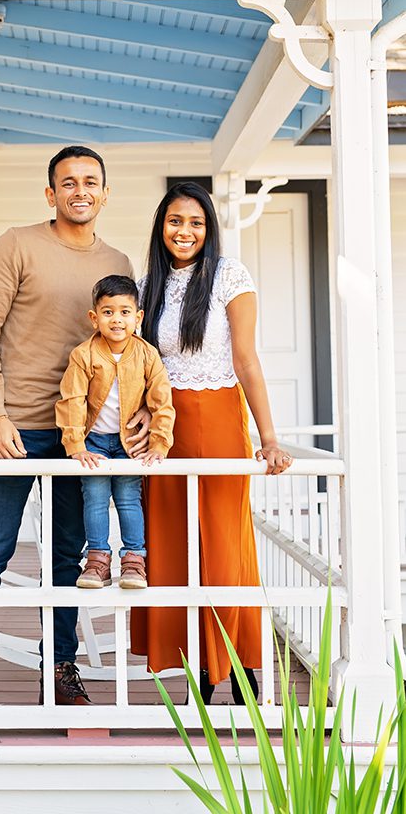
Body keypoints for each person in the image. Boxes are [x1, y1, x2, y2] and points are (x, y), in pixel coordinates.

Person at [0, 146, 148, 707]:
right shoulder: (17, 244)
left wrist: (142, 408)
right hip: (19, 428)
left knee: (68, 557)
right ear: (51, 193)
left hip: (88, 436)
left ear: (105, 193)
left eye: (91, 181)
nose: (80, 190)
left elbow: (133, 350)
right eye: (68, 182)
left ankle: (61, 668)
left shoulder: (120, 264)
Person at [130, 181, 291, 705]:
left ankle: (241, 664)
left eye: (196, 222)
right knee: (173, 541)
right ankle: (198, 665)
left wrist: (268, 438)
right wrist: (137, 418)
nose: (186, 231)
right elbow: (137, 364)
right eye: (176, 221)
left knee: (223, 543)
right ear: (161, 225)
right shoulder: (147, 284)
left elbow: (245, 358)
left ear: (209, 228)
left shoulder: (228, 275)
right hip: (165, 425)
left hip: (219, 415)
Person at [56, 275, 175, 591]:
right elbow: (72, 399)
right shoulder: (84, 355)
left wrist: (160, 444)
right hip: (93, 440)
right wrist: (76, 445)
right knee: (94, 499)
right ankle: (97, 560)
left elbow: (162, 400)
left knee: (128, 499)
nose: (117, 319)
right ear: (94, 318)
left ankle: (134, 560)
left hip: (129, 442)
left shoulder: (147, 355)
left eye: (125, 312)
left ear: (138, 318)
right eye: (108, 312)